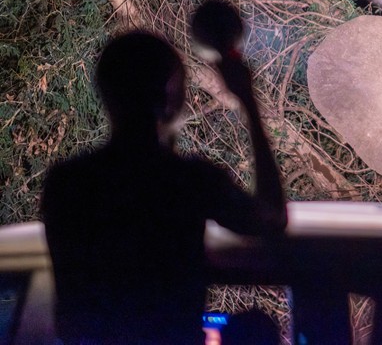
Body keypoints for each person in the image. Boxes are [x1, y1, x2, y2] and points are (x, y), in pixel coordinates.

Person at [42, 28, 287, 344]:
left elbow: (73, 311)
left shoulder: (67, 184)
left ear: (106, 94)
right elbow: (271, 218)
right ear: (171, 97)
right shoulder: (187, 181)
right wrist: (248, 100)